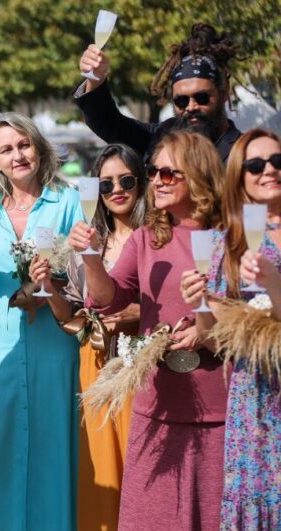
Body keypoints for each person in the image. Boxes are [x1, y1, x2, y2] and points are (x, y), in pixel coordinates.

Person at [71, 130, 224, 529]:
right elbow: (109, 299)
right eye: (153, 172)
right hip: (157, 406)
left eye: (168, 174)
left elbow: (256, 315)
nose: (155, 180)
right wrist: (89, 258)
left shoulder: (233, 239)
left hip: (221, 409)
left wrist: (209, 329)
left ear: (199, 175)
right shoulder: (145, 239)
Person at [0, 112, 83, 531]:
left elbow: (81, 270)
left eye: (24, 145)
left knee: (53, 449)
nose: (18, 155)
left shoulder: (67, 201)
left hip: (55, 344)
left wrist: (51, 280)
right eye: (6, 149)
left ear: (39, 146)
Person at [179, 128, 281, 528]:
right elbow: (212, 338)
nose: (268, 170)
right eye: (255, 165)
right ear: (239, 176)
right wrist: (200, 302)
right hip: (254, 396)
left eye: (277, 161)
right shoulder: (228, 245)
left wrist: (273, 283)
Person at [50, 144, 148, 531]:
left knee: (143, 466)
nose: (117, 190)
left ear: (142, 183)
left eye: (126, 180)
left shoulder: (158, 238)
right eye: (106, 183)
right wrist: (45, 285)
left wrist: (143, 312)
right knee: (103, 470)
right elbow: (68, 314)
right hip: (96, 363)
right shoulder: (86, 243)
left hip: (145, 364)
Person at [75, 23, 242, 162]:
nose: (191, 107)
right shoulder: (160, 137)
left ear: (224, 92)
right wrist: (95, 79)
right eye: (181, 101)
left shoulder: (245, 153)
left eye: (202, 97)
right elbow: (106, 121)